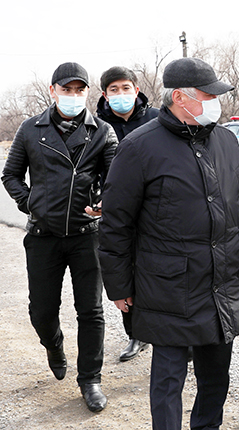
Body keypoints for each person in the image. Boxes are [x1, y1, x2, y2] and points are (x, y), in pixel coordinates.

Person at [97, 57, 239, 430]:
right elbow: (115, 225)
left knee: (215, 379)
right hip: (167, 288)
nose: (217, 101)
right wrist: (118, 287)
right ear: (180, 97)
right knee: (168, 383)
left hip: (220, 283)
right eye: (208, 94)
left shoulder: (226, 141)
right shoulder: (138, 148)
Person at [1, 62, 117, 412]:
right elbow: (11, 175)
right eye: (66, 89)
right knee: (42, 311)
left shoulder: (102, 132)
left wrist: (103, 202)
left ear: (87, 93)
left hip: (86, 235)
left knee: (92, 311)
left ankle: (90, 380)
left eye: (79, 90)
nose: (73, 96)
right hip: (43, 236)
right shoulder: (29, 129)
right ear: (53, 91)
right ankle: (53, 344)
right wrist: (30, 204)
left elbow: (115, 180)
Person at [96, 66, 158, 362]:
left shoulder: (157, 118)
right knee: (126, 274)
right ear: (105, 95)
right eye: (113, 90)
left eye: (125, 87)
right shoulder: (95, 126)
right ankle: (136, 334)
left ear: (136, 88)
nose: (120, 94)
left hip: (158, 210)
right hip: (119, 213)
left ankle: (178, 338)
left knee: (163, 273)